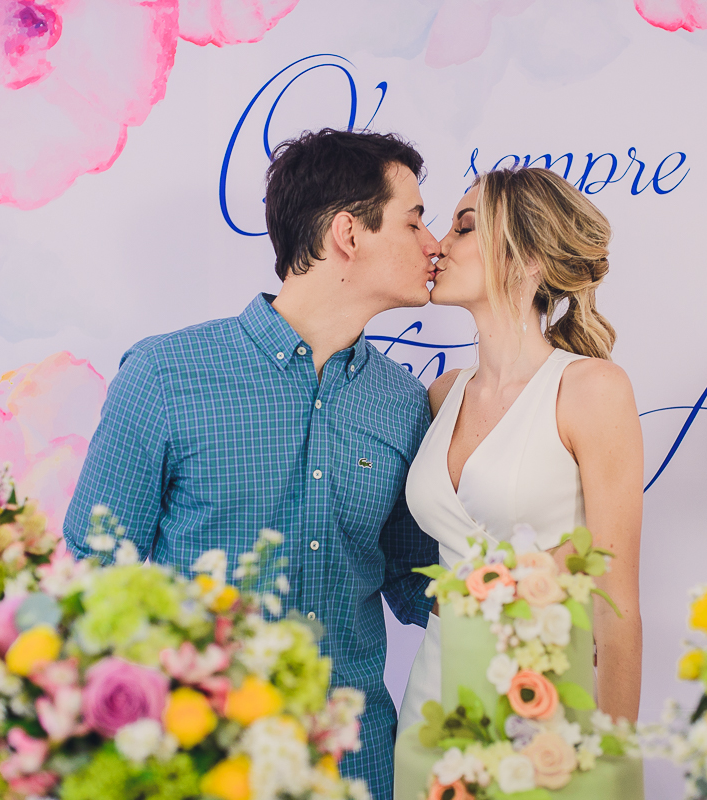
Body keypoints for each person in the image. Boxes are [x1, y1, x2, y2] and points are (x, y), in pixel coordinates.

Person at [63, 128, 442, 800]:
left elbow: (417, 584)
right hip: (197, 765)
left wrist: (530, 600)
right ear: (348, 236)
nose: (433, 244)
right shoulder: (163, 375)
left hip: (352, 766)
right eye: (415, 222)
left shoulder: (404, 404)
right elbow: (93, 575)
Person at [396, 166, 644, 740]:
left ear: (526, 257)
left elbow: (617, 602)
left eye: (463, 227)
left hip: (546, 701)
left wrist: (614, 762)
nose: (437, 243)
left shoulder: (591, 390)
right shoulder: (441, 394)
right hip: (433, 704)